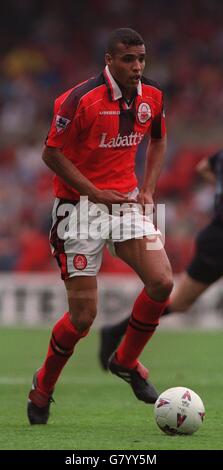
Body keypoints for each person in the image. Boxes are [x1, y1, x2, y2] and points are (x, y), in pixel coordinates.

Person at [27, 28, 173, 425]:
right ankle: (42, 389)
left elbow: (159, 140)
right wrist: (93, 192)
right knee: (82, 318)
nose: (137, 66)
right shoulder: (79, 100)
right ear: (109, 61)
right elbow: (50, 154)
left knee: (161, 281)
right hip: (78, 209)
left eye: (141, 58)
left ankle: (125, 361)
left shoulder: (153, 96)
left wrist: (148, 189)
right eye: (129, 59)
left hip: (124, 202)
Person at [99, 150, 223, 369]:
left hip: (214, 238)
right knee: (180, 303)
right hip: (217, 242)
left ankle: (116, 330)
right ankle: (117, 333)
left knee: (180, 304)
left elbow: (204, 166)